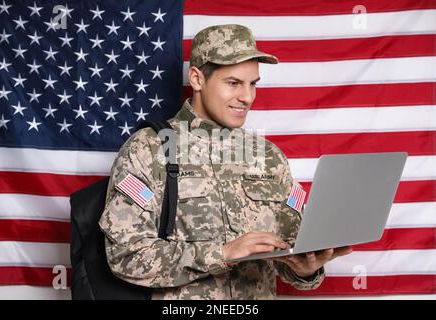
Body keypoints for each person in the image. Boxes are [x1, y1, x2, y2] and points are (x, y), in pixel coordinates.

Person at [99, 24, 352, 299]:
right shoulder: (148, 149)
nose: (247, 97)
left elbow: (290, 249)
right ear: (196, 79)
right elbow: (125, 255)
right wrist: (221, 253)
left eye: (252, 84)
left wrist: (305, 269)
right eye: (233, 83)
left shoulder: (268, 157)